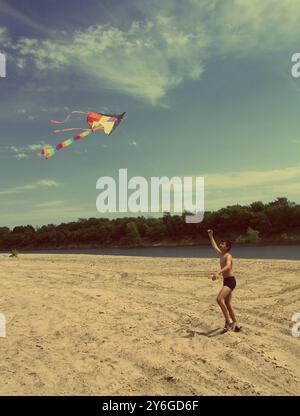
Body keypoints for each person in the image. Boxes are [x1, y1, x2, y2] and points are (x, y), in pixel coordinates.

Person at [207, 229, 242, 332]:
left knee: (219, 299)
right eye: (220, 243)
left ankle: (228, 321)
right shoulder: (221, 254)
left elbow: (227, 266)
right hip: (226, 281)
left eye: (222, 244)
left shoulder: (228, 256)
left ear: (227, 247)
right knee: (227, 303)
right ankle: (237, 325)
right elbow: (214, 246)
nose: (220, 244)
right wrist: (211, 236)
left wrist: (218, 272)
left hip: (231, 281)